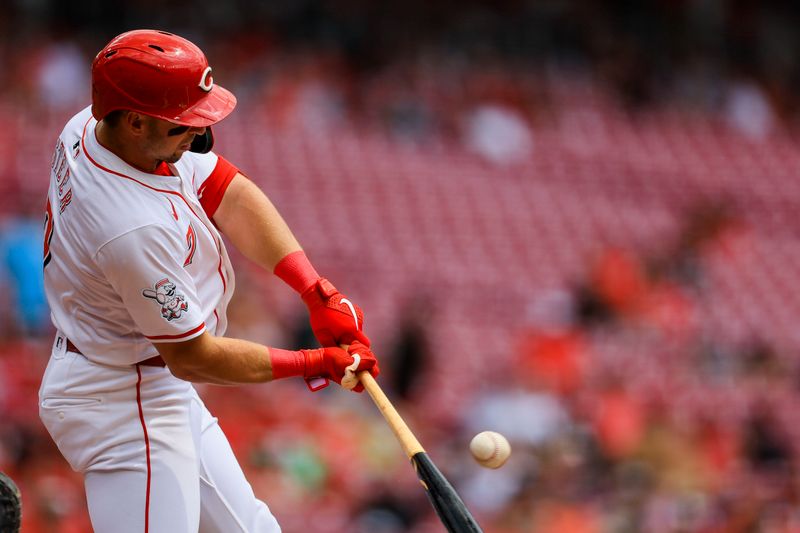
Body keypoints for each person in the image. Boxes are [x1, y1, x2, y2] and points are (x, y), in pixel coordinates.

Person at [38, 29, 379, 533]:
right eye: (183, 126)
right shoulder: (131, 228)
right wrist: (314, 362)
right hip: (121, 401)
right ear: (135, 121)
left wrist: (316, 290)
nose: (198, 136)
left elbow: (228, 191)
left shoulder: (93, 125)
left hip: (139, 378)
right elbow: (193, 355)